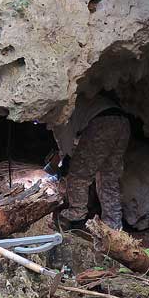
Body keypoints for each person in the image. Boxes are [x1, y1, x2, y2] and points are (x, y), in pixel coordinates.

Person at [51, 93, 130, 230]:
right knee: (108, 178)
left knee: (78, 175)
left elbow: (65, 143)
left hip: (102, 123)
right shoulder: (83, 102)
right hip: (123, 122)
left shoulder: (60, 115)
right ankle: (113, 226)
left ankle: (75, 215)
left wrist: (65, 161)